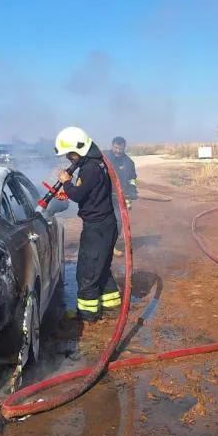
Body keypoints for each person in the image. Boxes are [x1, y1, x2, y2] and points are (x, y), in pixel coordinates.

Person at [55, 126, 121, 322]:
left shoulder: (90, 168)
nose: (69, 158)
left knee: (87, 272)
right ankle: (111, 304)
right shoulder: (97, 163)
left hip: (97, 228)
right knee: (101, 268)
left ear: (80, 149)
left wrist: (67, 182)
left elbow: (77, 195)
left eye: (70, 154)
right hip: (106, 224)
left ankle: (87, 314)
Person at [104, 136, 138, 257]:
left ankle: (111, 246)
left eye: (121, 148)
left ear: (124, 148)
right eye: (116, 148)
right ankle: (101, 245)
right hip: (103, 196)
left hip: (120, 198)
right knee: (103, 222)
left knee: (118, 222)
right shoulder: (103, 158)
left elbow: (132, 179)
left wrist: (132, 190)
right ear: (112, 146)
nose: (118, 151)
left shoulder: (128, 162)